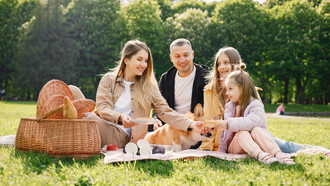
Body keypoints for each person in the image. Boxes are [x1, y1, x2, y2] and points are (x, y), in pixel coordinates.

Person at [83, 40, 207, 148]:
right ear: (126, 59)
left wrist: (190, 124)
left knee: (85, 115)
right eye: (139, 59)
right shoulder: (109, 79)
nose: (143, 64)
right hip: (104, 126)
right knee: (74, 91)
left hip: (121, 137)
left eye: (146, 60)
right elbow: (102, 108)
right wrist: (120, 117)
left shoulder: (149, 86)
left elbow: (165, 112)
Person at [200, 46, 303, 153]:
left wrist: (229, 124)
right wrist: (206, 147)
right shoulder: (209, 91)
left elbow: (257, 121)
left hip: (253, 138)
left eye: (226, 62)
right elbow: (208, 122)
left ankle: (310, 150)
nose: (221, 67)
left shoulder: (250, 91)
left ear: (235, 64)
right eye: (219, 64)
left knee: (282, 145)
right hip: (228, 144)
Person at [214, 64, 295, 165]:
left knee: (256, 129)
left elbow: (252, 122)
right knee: (241, 133)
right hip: (235, 146)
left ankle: (278, 154)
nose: (227, 93)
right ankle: (261, 155)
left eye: (230, 89)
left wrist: (228, 123)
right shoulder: (230, 108)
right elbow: (224, 136)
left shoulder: (255, 104)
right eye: (227, 89)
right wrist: (221, 152)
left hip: (254, 143)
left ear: (242, 89)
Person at [159, 38, 209, 115]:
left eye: (186, 55)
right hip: (171, 123)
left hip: (196, 123)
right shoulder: (166, 78)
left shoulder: (206, 76)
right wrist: (157, 120)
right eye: (177, 56)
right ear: (171, 58)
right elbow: (159, 106)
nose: (182, 60)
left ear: (192, 55)